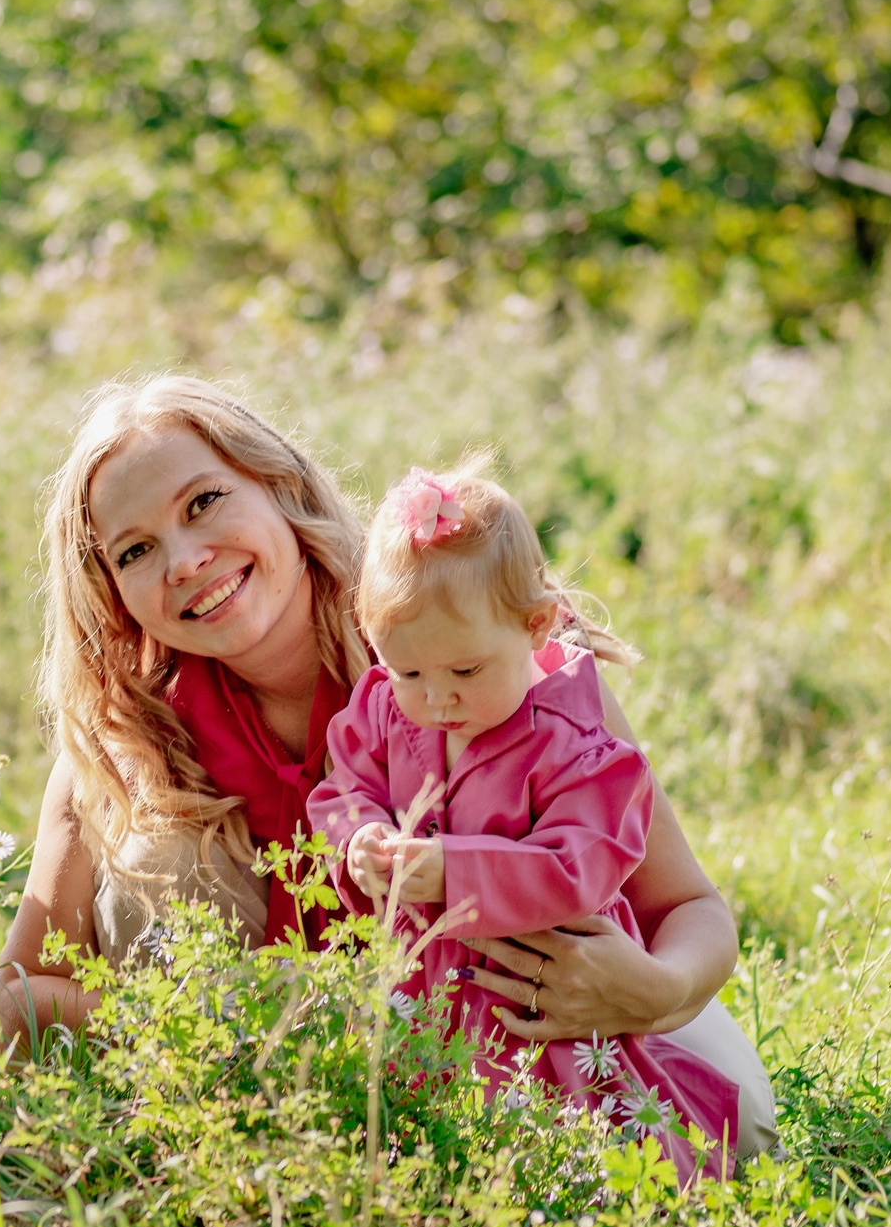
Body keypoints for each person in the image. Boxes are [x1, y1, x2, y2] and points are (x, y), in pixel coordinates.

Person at [0, 377, 777, 1161]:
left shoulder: (471, 641)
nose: (186, 559)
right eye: (135, 550)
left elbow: (690, 905)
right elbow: (21, 991)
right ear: (113, 591)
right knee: (157, 846)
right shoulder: (128, 738)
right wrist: (214, 1017)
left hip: (541, 1023)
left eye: (203, 503)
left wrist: (658, 988)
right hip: (286, 1091)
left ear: (279, 485)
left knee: (746, 1129)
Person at [308, 461, 738, 1174]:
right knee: (424, 1142)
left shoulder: (570, 742)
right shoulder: (386, 709)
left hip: (546, 1005)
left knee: (581, 1142)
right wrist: (359, 838)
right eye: (410, 672)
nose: (438, 699)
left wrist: (456, 871)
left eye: (466, 672)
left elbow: (581, 864)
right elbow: (342, 788)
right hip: (426, 995)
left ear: (536, 625)